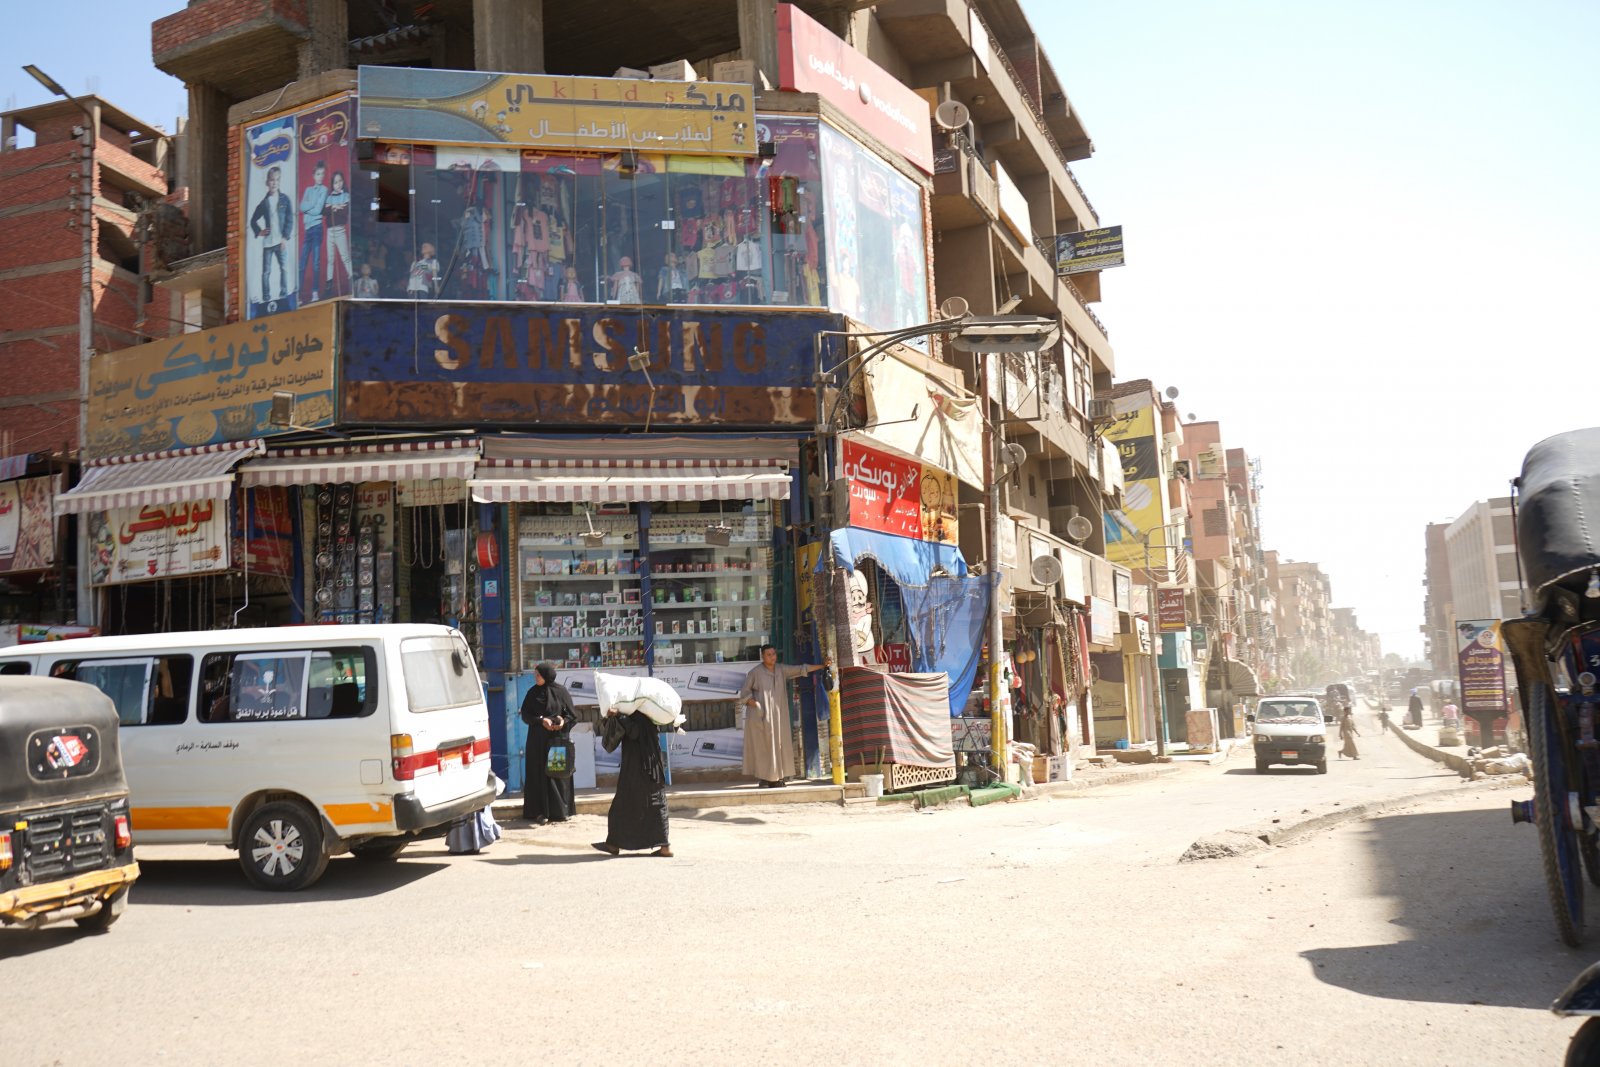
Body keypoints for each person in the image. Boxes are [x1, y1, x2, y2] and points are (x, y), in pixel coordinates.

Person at [737, 645, 829, 788]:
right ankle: (766, 778)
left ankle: (776, 778)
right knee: (764, 748)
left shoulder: (781, 669)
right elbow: (744, 693)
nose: (772, 657)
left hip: (779, 716)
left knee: (779, 745)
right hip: (761, 717)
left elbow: (801, 669)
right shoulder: (755, 672)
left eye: (773, 654)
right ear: (762, 656)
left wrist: (822, 666)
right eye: (768, 654)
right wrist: (756, 704)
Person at [592, 708, 671, 857]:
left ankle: (613, 844)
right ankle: (664, 846)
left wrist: (620, 716)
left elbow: (634, 732)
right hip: (652, 763)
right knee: (657, 802)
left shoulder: (637, 713)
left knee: (623, 803)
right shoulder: (649, 711)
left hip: (637, 764)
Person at [519, 662, 577, 823]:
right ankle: (538, 812)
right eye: (535, 674)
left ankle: (560, 811)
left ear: (546, 676)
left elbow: (572, 716)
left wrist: (562, 722)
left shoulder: (561, 692)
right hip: (537, 742)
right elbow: (525, 715)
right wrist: (541, 720)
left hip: (556, 740)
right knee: (537, 774)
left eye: (538, 675)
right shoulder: (532, 693)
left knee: (557, 773)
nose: (536, 677)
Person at [249, 166, 293, 303]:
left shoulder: (285, 200)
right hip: (268, 243)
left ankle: (283, 294)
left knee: (284, 268)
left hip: (280, 242)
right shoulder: (264, 203)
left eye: (277, 180)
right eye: (272, 180)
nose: (274, 183)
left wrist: (285, 237)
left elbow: (289, 219)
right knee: (266, 272)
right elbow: (253, 220)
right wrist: (259, 231)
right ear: (267, 182)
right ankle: (266, 297)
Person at [298, 161, 329, 302]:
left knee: (315, 261)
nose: (320, 176)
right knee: (302, 263)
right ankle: (299, 295)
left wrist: (309, 207)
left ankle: (315, 292)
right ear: (313, 175)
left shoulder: (324, 190)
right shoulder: (308, 190)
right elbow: (301, 207)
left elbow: (317, 210)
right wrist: (312, 204)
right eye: (318, 174)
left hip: (317, 228)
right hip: (308, 230)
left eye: (322, 174)